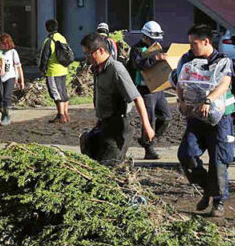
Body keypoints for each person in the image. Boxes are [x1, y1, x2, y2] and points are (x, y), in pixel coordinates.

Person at [171, 24, 235, 218]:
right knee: (186, 154)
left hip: (220, 118)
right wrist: (181, 101)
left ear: (206, 41)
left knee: (219, 161)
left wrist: (209, 100)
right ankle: (208, 187)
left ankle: (218, 202)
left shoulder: (222, 60)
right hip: (195, 117)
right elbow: (180, 81)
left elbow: (225, 83)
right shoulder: (187, 59)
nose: (190, 47)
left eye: (194, 43)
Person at [80, 34, 155, 165]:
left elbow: (137, 98)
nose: (87, 58)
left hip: (118, 127)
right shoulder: (97, 69)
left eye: (88, 54)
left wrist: (147, 126)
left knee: (109, 166)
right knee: (91, 155)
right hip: (104, 125)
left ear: (101, 51)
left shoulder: (116, 69)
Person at [125, 20, 171, 160]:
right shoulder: (136, 50)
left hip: (158, 88)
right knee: (149, 119)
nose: (153, 42)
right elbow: (139, 65)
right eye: (151, 39)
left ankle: (146, 140)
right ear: (144, 36)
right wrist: (156, 58)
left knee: (166, 118)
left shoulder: (155, 47)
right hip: (145, 90)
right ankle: (149, 149)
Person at [38, 19, 71, 124]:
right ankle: (65, 113)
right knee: (63, 92)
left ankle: (60, 115)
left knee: (56, 93)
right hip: (63, 69)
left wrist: (42, 69)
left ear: (47, 28)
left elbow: (44, 57)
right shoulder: (62, 38)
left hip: (53, 71)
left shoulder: (49, 40)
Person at [0, 33, 25, 126]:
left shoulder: (13, 52)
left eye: (3, 43)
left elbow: (18, 67)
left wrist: (22, 80)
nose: (2, 45)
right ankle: (3, 112)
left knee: (6, 97)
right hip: (0, 77)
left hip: (10, 77)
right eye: (1, 43)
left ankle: (6, 116)